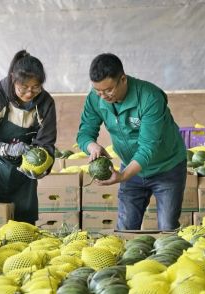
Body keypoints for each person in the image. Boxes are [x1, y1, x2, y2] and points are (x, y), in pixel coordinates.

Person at [77, 53, 187, 230]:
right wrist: (92, 146)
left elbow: (148, 147)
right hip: (130, 167)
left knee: (167, 229)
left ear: (123, 79)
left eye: (108, 90)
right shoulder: (95, 98)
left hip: (166, 167)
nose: (103, 96)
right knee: (125, 229)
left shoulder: (150, 97)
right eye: (98, 91)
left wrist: (123, 176)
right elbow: (84, 133)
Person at [0, 50, 57, 224]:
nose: (29, 93)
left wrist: (42, 167)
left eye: (35, 88)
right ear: (13, 79)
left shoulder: (45, 103)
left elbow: (46, 143)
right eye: (23, 88)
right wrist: (4, 148)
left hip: (23, 173)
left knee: (23, 228)